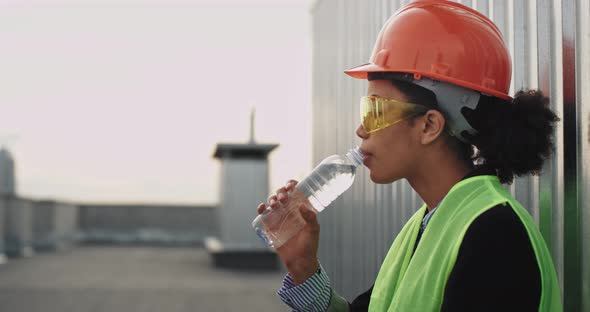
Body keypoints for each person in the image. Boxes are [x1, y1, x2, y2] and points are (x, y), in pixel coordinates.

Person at [256, 1, 562, 311]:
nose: (361, 130)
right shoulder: (430, 224)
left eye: (375, 111)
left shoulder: (494, 238)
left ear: (429, 125)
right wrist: (303, 268)